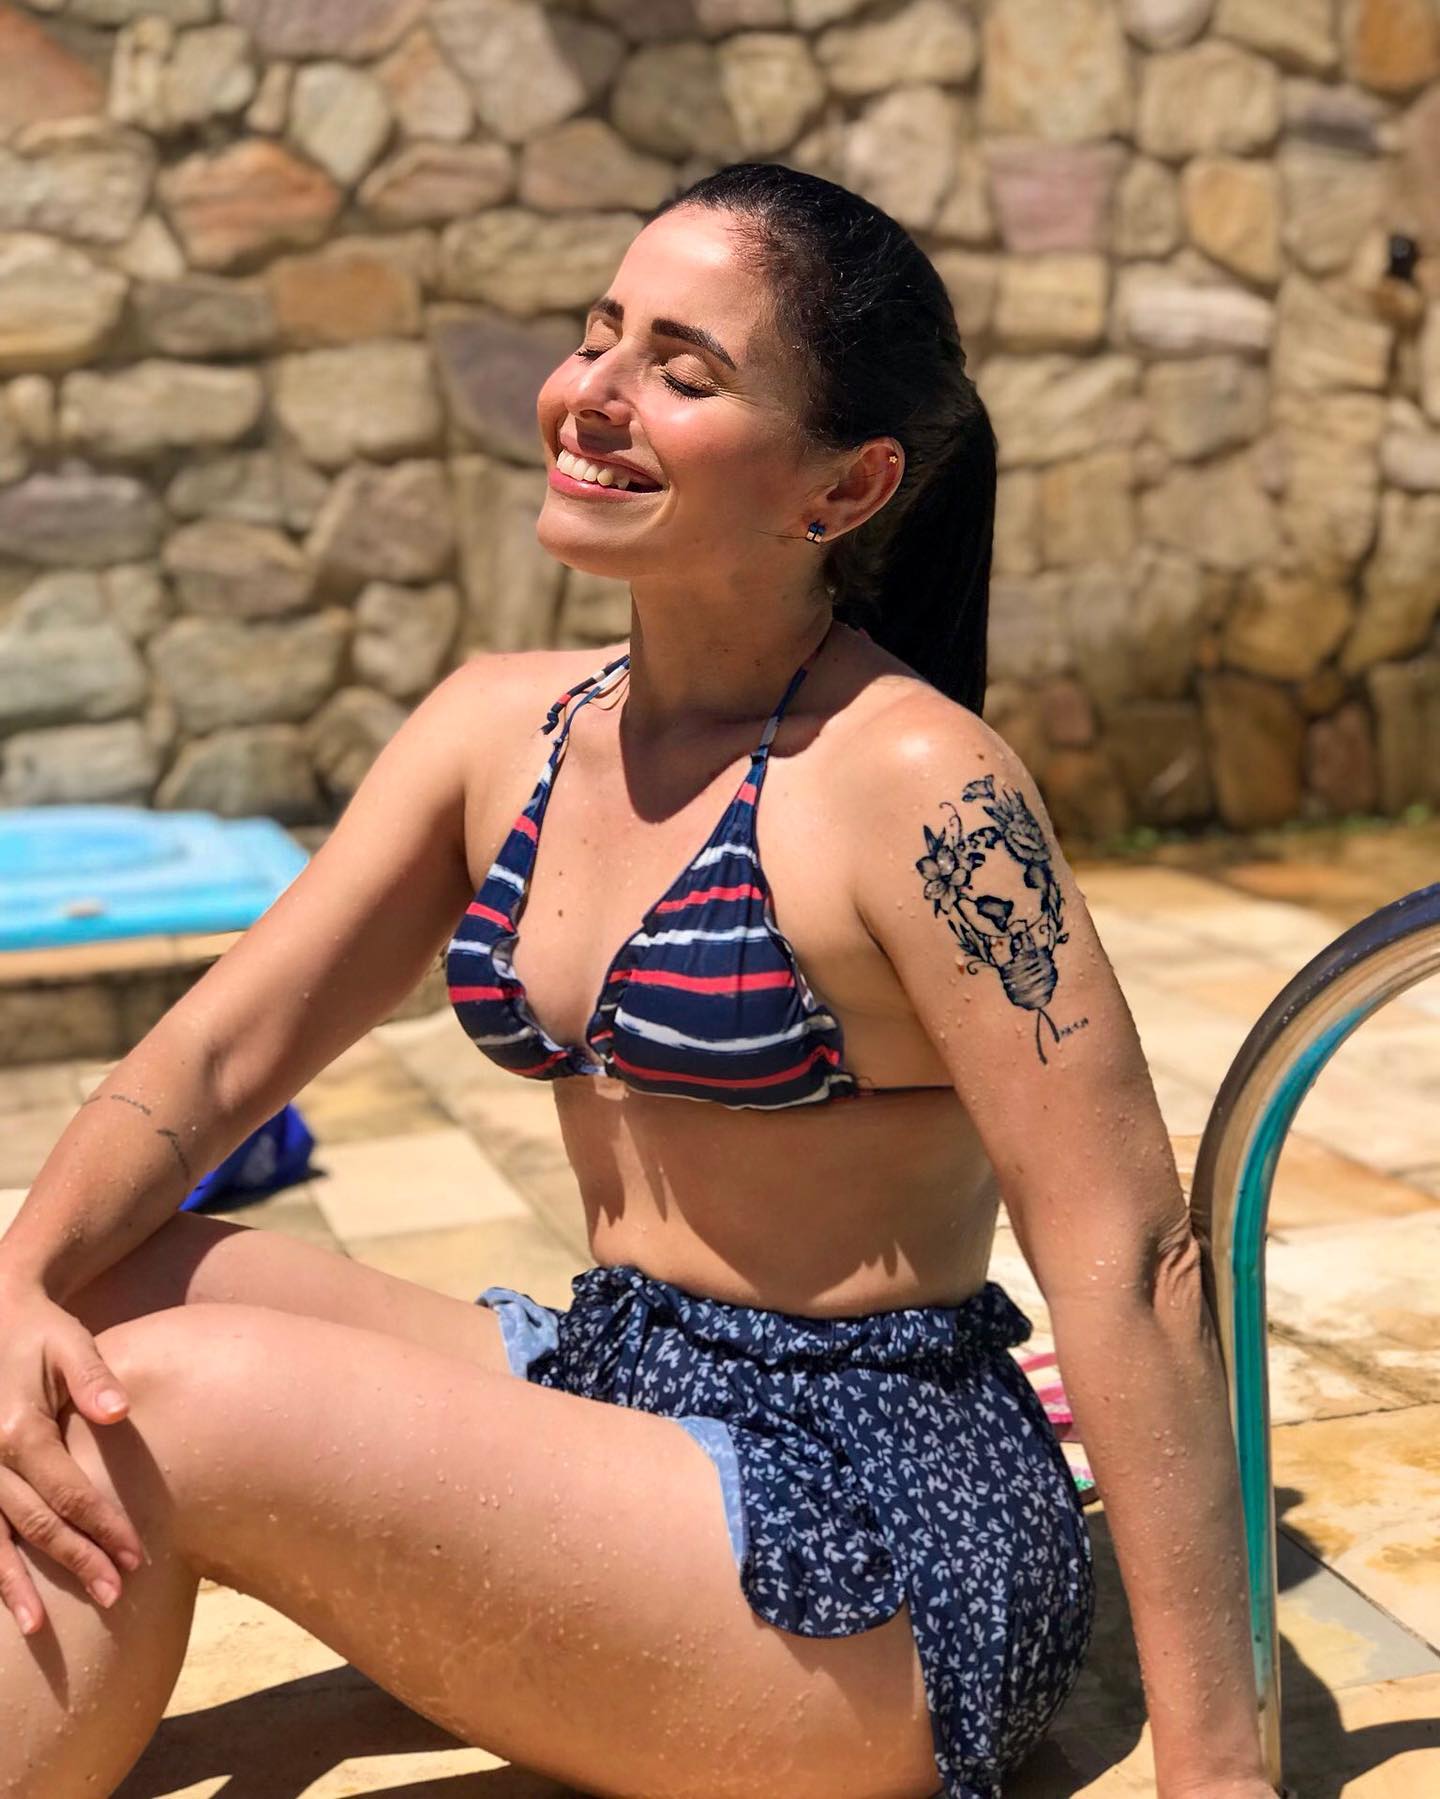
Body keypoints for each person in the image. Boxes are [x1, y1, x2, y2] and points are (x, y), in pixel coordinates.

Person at [0, 163, 1274, 1799]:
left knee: (164, 1406)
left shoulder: (915, 785)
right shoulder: (500, 728)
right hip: (624, 1378)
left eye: (684, 370)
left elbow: (1132, 1256)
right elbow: (218, 1057)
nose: (593, 394)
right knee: (93, 1302)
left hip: (874, 1521)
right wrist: (16, 1286)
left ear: (845, 485)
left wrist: (1219, 1773)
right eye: (600, 333)